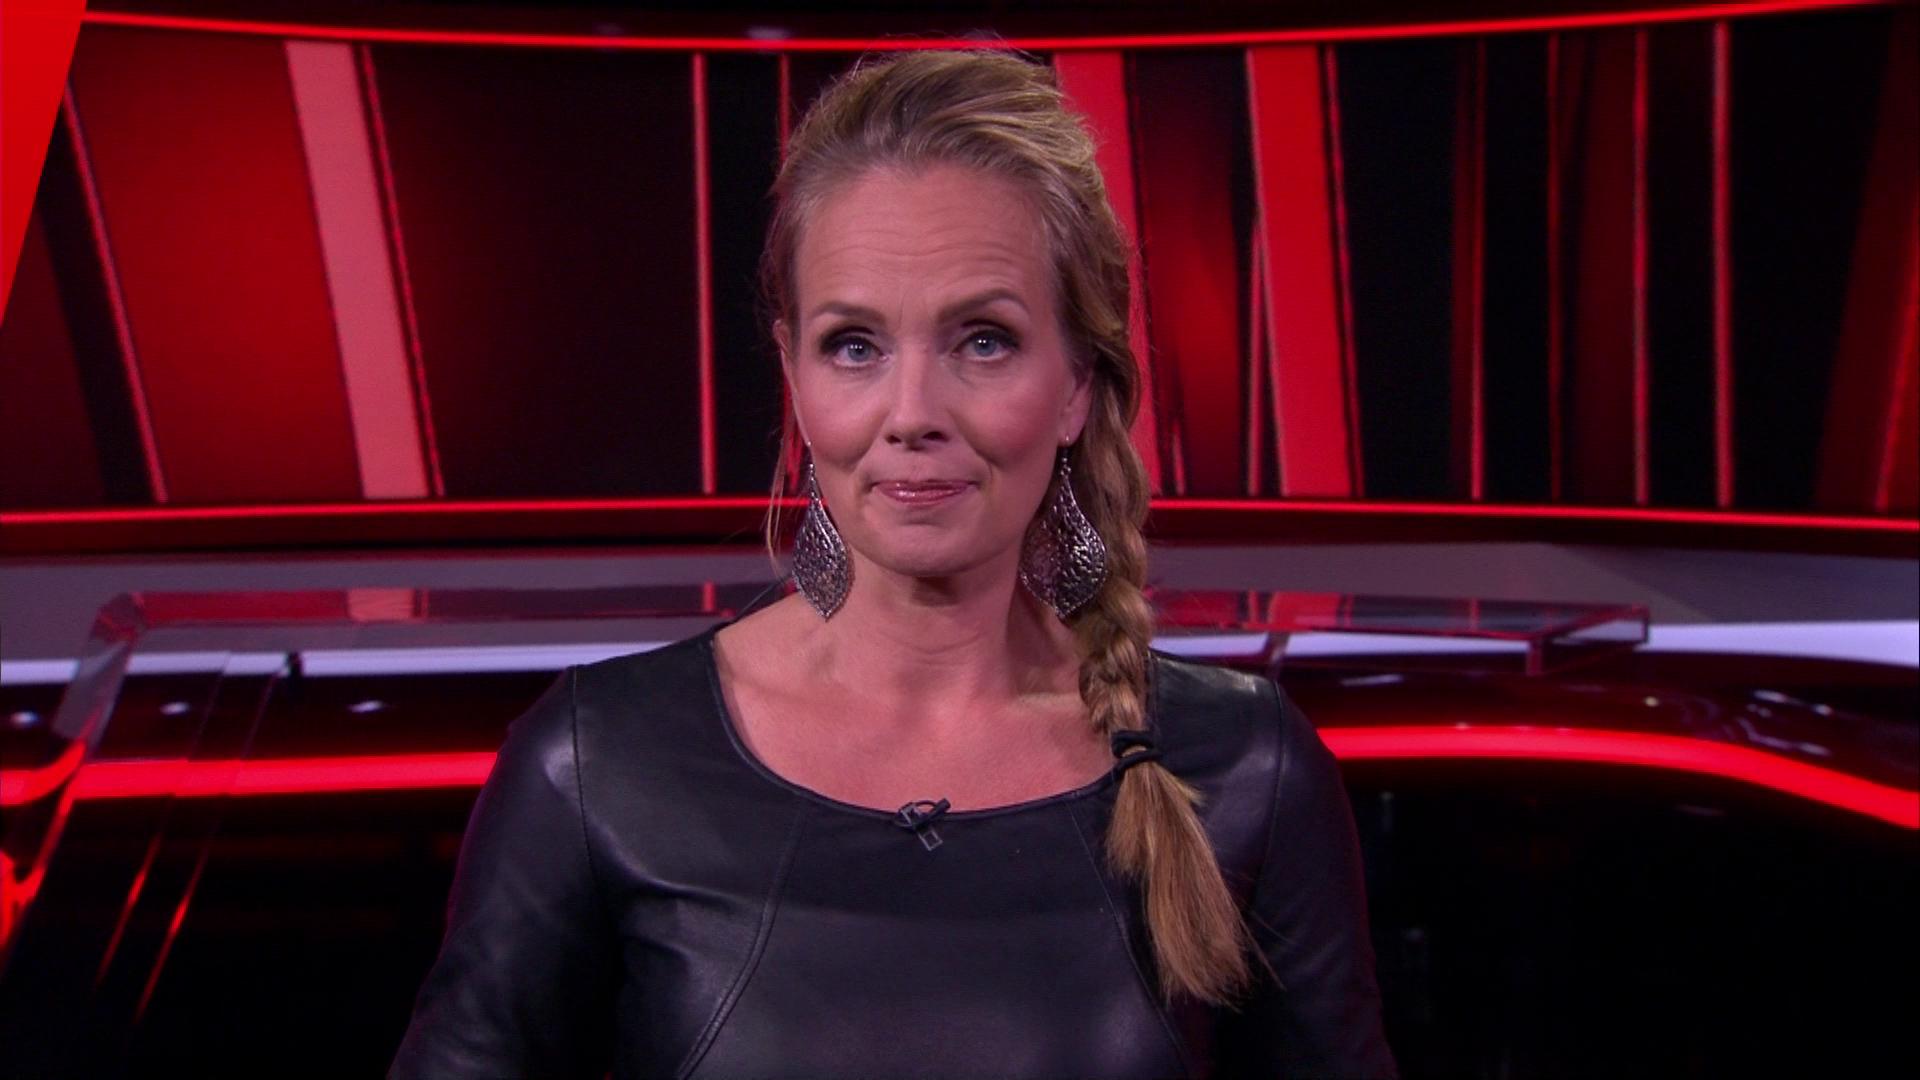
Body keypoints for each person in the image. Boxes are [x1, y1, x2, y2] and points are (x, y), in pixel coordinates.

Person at [392, 48, 1394, 1079]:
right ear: (794, 377)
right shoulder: (599, 764)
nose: (912, 414)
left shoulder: (1244, 769)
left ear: (1076, 387)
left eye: (984, 341)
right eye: (855, 346)